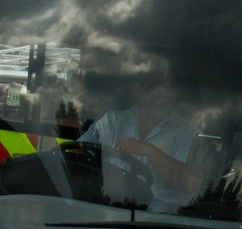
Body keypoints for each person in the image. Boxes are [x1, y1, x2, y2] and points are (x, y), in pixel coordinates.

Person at [78, 52, 198, 212]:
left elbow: (190, 183)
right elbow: (75, 154)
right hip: (108, 212)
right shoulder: (112, 122)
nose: (151, 90)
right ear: (137, 88)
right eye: (145, 82)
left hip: (162, 221)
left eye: (158, 84)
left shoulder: (187, 132)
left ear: (174, 90)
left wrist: (149, 151)